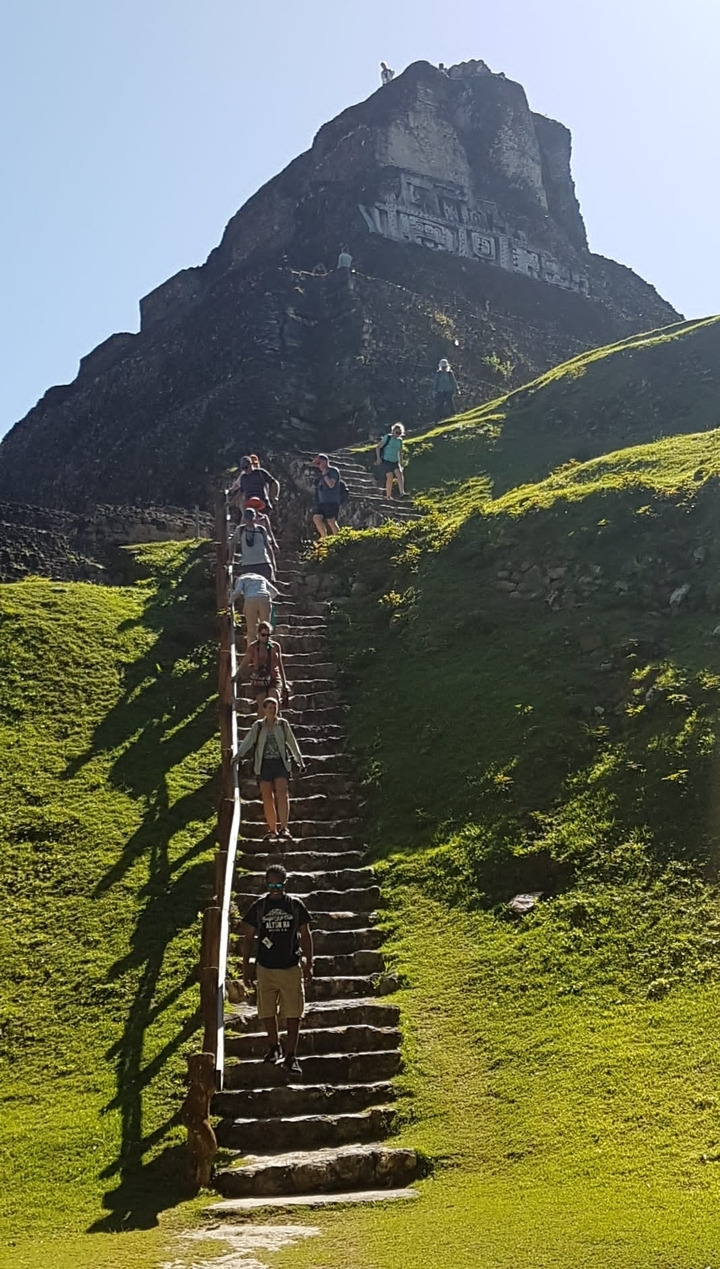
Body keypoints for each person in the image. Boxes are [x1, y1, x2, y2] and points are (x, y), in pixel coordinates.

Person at [241, 864, 313, 1076]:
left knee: (294, 1012)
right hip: (265, 967)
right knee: (266, 1010)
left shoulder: (295, 906)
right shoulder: (259, 907)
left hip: (291, 966)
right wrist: (246, 967)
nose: (274, 890)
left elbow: (306, 935)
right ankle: (274, 1046)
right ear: (265, 883)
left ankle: (291, 1055)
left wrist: (309, 963)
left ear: (285, 884)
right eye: (271, 885)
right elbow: (248, 938)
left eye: (278, 885)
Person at [236, 697, 305, 845]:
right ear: (264, 710)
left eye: (275, 708)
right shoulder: (258, 726)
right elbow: (248, 741)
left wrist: (299, 760)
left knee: (282, 794)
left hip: (280, 763)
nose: (273, 710)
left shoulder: (282, 724)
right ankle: (272, 830)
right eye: (270, 708)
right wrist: (238, 755)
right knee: (267, 797)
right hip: (264, 764)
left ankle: (284, 828)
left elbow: (291, 742)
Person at [238, 620, 290, 718]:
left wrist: (284, 683)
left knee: (274, 700)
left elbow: (280, 664)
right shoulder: (253, 647)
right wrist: (237, 675)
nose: (266, 637)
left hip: (274, 677)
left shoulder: (275, 646)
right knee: (262, 703)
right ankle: (261, 725)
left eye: (268, 635)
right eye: (263, 635)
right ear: (258, 634)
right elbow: (245, 663)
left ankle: (278, 724)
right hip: (259, 679)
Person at [231, 572, 279, 650]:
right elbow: (275, 592)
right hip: (265, 598)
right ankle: (266, 649)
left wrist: (229, 602)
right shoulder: (261, 578)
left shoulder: (242, 579)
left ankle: (251, 651)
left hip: (250, 600)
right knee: (266, 627)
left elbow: (238, 591)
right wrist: (268, 600)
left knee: (251, 630)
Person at [232, 507, 276, 581]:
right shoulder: (240, 530)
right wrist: (231, 559)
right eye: (247, 519)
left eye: (251, 519)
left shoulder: (261, 529)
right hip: (247, 564)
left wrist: (273, 563)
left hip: (263, 563)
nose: (249, 521)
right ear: (244, 519)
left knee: (266, 585)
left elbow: (268, 546)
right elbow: (232, 544)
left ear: (254, 518)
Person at [312, 453, 342, 538]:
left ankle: (339, 539)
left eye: (319, 463)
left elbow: (331, 485)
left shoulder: (333, 471)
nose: (318, 466)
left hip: (331, 501)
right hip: (322, 502)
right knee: (316, 518)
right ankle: (324, 538)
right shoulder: (320, 475)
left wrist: (325, 474)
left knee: (331, 521)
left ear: (325, 462)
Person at [375, 422, 406, 498]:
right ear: (393, 431)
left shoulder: (400, 441)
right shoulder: (388, 437)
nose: (397, 434)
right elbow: (378, 447)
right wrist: (378, 458)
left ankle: (402, 492)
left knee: (400, 474)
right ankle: (388, 496)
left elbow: (400, 453)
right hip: (387, 460)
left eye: (399, 433)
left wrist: (401, 463)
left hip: (395, 461)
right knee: (390, 477)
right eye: (396, 432)